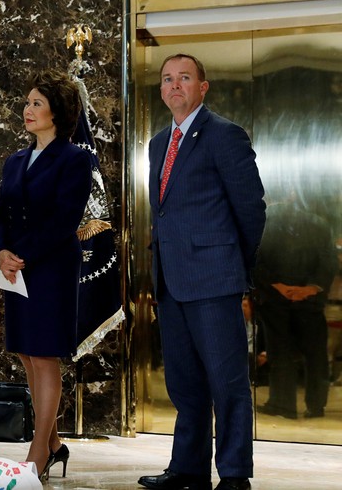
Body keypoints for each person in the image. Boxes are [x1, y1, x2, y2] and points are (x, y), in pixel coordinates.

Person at [139, 54, 265, 490]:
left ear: (202, 87)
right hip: (170, 284)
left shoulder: (225, 135)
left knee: (227, 384)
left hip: (214, 280)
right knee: (184, 385)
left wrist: (234, 266)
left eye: (185, 78)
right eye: (168, 79)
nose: (175, 86)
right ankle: (187, 469)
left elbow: (251, 209)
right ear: (161, 90)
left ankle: (233, 474)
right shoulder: (157, 143)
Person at [0, 69, 92, 480]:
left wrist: (21, 253)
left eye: (36, 103)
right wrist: (0, 252)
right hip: (15, 270)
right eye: (27, 102)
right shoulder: (15, 160)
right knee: (26, 354)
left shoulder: (75, 158)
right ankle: (53, 443)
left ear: (57, 113)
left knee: (45, 356)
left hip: (50, 269)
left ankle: (38, 453)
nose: (27, 110)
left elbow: (66, 219)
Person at [252, 196, 337, 419]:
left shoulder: (266, 222)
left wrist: (279, 286)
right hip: (309, 300)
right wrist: (310, 288)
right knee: (315, 354)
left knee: (280, 351)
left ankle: (283, 404)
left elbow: (256, 259)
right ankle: (316, 406)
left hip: (275, 298)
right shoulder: (319, 224)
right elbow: (329, 261)